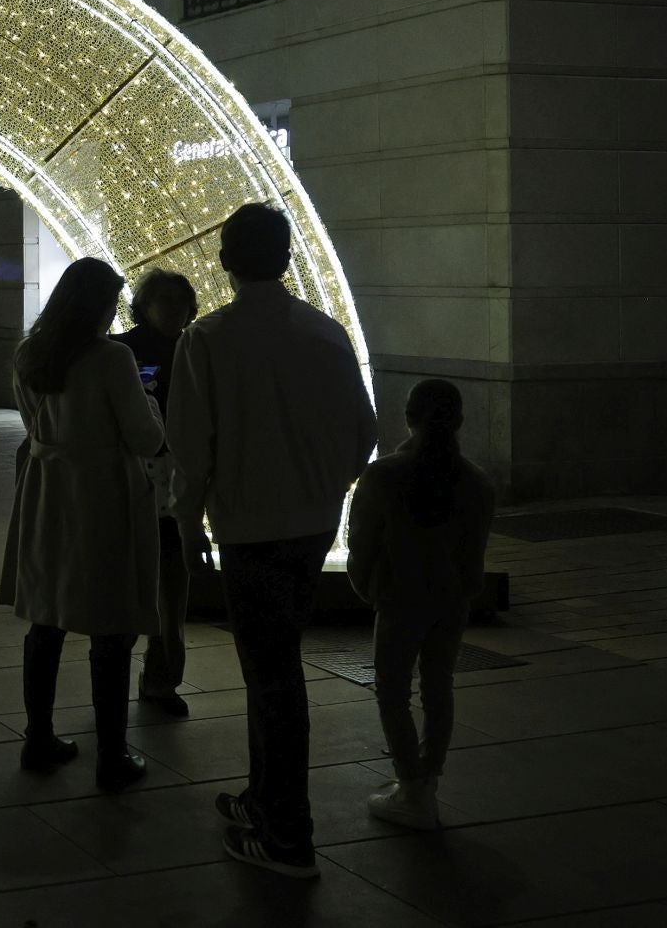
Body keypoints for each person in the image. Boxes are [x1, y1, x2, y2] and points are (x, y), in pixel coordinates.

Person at [167, 203, 376, 879]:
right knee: (274, 666)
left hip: (248, 526)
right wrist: (327, 487)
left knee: (273, 675)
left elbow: (190, 448)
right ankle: (264, 797)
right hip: (311, 522)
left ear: (225, 260)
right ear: (286, 257)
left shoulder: (207, 339)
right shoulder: (326, 333)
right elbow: (363, 431)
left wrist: (188, 518)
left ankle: (288, 834)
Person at [0, 258, 163, 789]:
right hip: (102, 498)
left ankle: (38, 737)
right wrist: (154, 407)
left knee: (46, 620)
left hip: (46, 493)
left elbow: (31, 423)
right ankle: (111, 756)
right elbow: (145, 438)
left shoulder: (31, 354)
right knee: (111, 624)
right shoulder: (113, 358)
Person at [347, 378, 494, 831]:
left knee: (393, 692)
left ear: (407, 416)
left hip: (399, 600)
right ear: (461, 420)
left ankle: (409, 786)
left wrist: (370, 591)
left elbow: (360, 549)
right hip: (450, 603)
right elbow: (474, 558)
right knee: (439, 687)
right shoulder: (477, 483)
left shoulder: (383, 476)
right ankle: (426, 782)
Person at [116, 268, 204, 718]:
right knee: (140, 585)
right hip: (138, 481)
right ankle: (139, 677)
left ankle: (162, 678)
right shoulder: (123, 352)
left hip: (178, 481)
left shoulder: (199, 347)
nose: (173, 311)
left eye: (180, 303)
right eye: (163, 302)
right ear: (144, 306)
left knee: (172, 588)